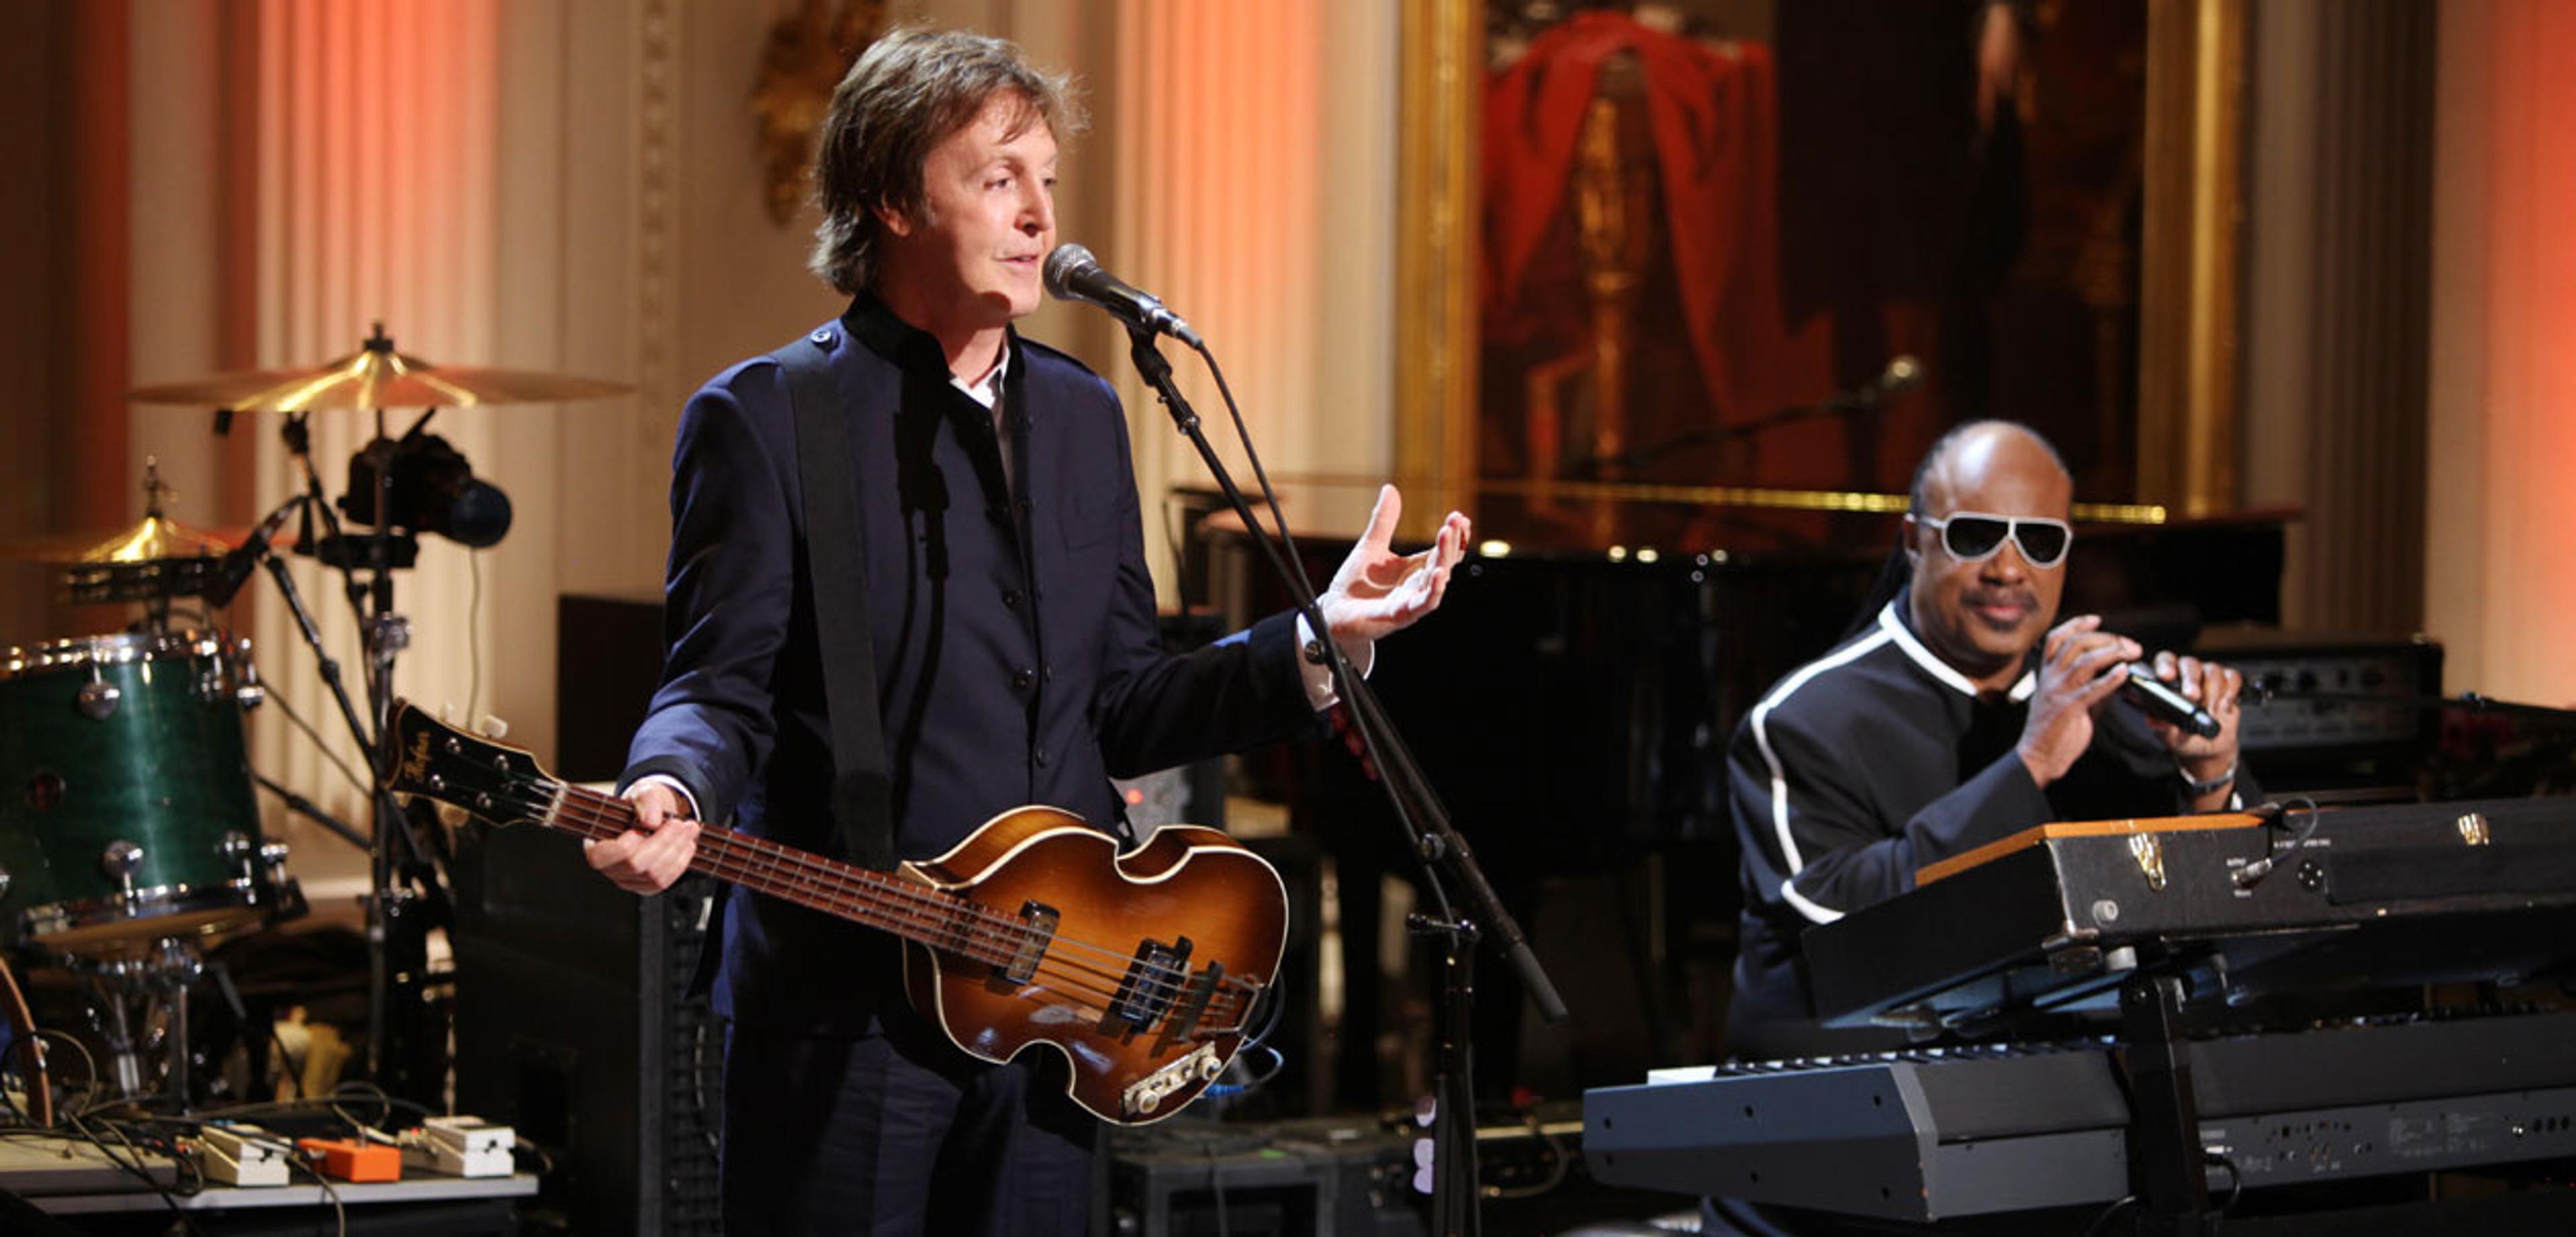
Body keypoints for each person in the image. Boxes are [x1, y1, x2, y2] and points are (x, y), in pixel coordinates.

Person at [582, 28, 1471, 1236]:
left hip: (1056, 1010)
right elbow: (717, 686)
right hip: (849, 1013)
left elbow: (1125, 701)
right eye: (999, 176)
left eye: (1047, 177)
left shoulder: (1084, 412)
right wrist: (671, 785)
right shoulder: (766, 416)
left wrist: (1313, 645)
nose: (1040, 215)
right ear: (894, 197)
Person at [1726, 420, 2253, 1059]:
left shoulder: (2107, 699)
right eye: (1975, 537)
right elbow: (1840, 925)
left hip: (2079, 1059)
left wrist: (2209, 776)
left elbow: (2214, 916)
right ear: (1916, 542)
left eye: (2038, 542)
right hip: (1860, 1075)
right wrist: (2029, 766)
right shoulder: (1804, 721)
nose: (2007, 570)